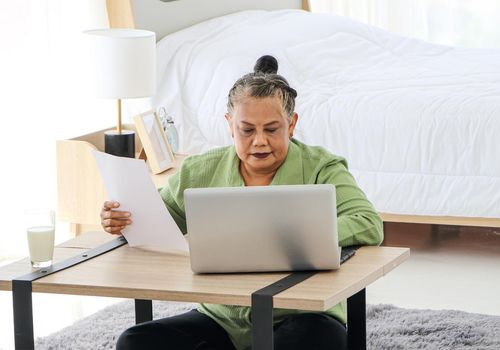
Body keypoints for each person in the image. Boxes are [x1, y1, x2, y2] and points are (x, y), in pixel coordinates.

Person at [100, 55, 383, 350]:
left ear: (292, 124)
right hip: (222, 317)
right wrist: (121, 219)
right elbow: (157, 220)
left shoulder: (322, 167)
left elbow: (368, 223)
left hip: (302, 315)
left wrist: (302, 231)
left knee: (318, 340)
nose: (259, 141)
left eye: (272, 129)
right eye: (247, 130)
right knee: (135, 341)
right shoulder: (199, 170)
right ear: (229, 125)